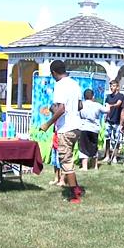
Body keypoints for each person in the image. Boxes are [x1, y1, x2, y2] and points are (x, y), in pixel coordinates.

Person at [39, 60, 84, 204]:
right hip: (77, 126)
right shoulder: (75, 84)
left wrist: (47, 123)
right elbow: (80, 105)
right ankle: (76, 187)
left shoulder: (59, 85)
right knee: (68, 159)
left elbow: (61, 109)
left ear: (53, 73)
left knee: (66, 161)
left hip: (65, 128)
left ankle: (74, 195)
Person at [78, 89, 109, 171]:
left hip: (84, 127)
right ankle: (95, 165)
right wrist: (108, 104)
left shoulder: (82, 104)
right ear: (93, 96)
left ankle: (85, 167)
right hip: (94, 128)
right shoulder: (97, 105)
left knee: (83, 147)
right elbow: (107, 110)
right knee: (94, 146)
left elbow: (77, 114)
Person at [102, 80, 124, 164]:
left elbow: (118, 104)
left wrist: (111, 106)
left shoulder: (121, 96)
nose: (112, 87)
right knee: (107, 138)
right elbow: (106, 107)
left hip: (117, 121)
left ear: (117, 87)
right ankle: (107, 155)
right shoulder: (108, 96)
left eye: (114, 86)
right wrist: (105, 116)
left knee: (116, 140)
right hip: (109, 120)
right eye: (111, 86)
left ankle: (115, 156)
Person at [48, 104, 66, 187]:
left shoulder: (63, 120)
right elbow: (54, 132)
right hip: (55, 143)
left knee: (61, 163)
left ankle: (62, 180)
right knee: (55, 163)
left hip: (60, 143)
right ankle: (56, 178)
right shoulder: (55, 121)